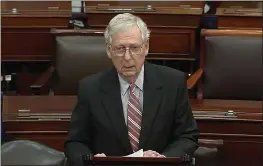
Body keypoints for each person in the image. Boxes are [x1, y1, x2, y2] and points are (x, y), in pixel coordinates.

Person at [64, 13, 199, 165]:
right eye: (120, 49)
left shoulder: (173, 83)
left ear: (146, 47)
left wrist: (164, 160)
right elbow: (75, 143)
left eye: (134, 48)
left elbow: (187, 136)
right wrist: (92, 161)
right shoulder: (90, 88)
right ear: (109, 50)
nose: (127, 57)